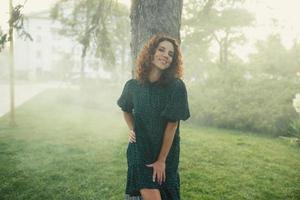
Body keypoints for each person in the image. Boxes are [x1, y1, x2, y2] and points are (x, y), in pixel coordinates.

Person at [117, 34, 190, 200]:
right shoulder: (133, 86)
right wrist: (132, 129)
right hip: (140, 151)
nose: (166, 55)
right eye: (161, 50)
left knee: (169, 194)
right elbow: (125, 109)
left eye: (171, 54)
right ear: (151, 52)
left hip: (166, 154)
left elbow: (173, 125)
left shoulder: (176, 87)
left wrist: (161, 160)